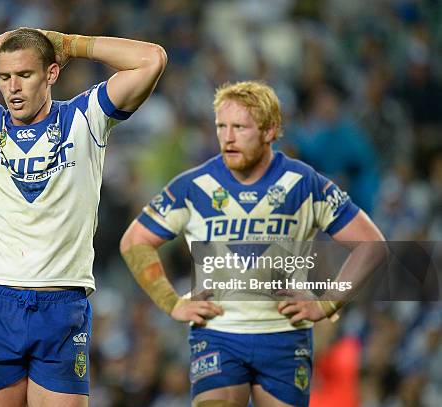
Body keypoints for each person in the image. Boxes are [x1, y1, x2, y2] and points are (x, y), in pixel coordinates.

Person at [0, 27, 166, 407]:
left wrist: (71, 44)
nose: (13, 88)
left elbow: (151, 58)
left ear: (51, 73)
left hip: (62, 302)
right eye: (4, 77)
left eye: (25, 74)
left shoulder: (86, 117)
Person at [120, 81, 385, 407]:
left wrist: (327, 303)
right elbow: (135, 241)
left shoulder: (305, 184)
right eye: (221, 126)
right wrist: (171, 302)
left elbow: (371, 244)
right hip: (217, 334)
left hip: (284, 336)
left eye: (240, 127)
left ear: (270, 131)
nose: (227, 137)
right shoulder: (193, 186)